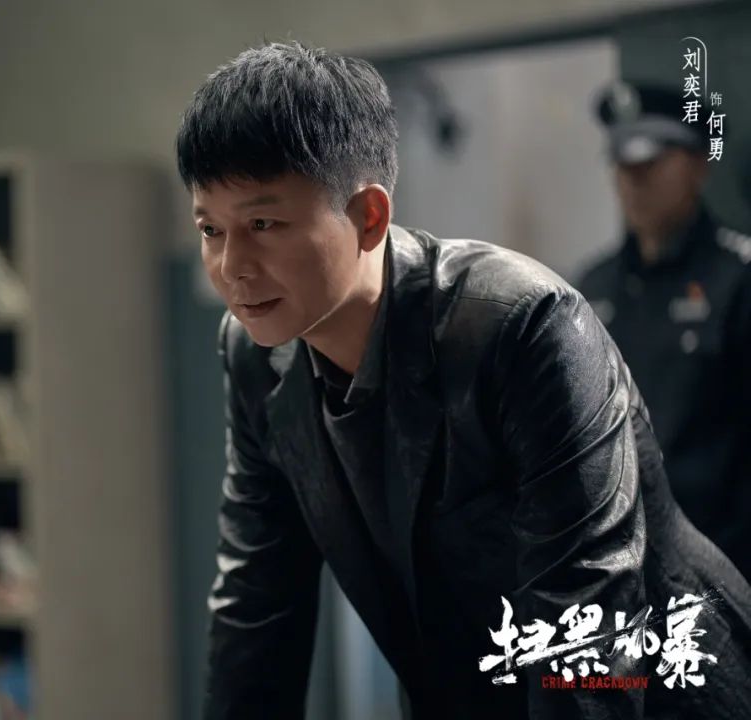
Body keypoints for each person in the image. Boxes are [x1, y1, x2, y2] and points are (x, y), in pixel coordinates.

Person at [176, 42, 751, 720]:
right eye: (211, 229)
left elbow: (586, 640)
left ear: (368, 217)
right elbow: (257, 606)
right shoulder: (256, 356)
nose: (232, 266)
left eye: (262, 223)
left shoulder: (523, 324)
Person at [577, 81, 751, 582]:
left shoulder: (738, 279)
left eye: (650, 163)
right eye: (622, 165)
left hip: (722, 565)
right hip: (620, 570)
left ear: (697, 165)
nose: (634, 180)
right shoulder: (593, 287)